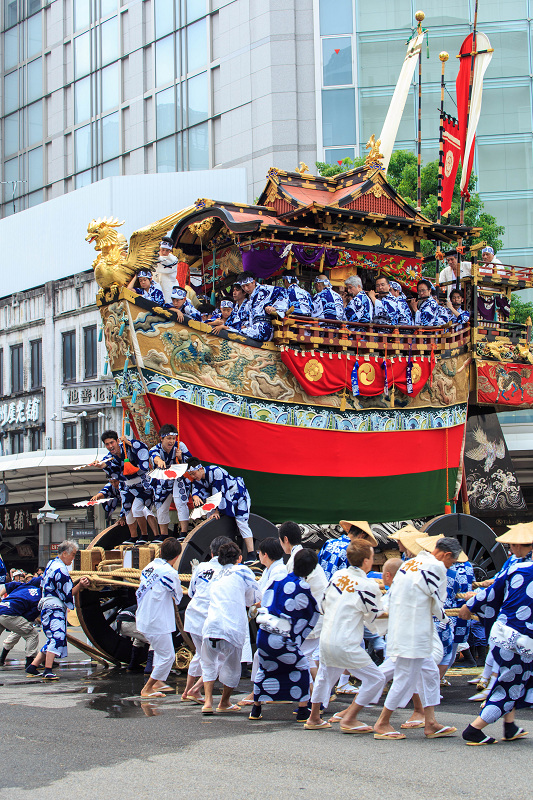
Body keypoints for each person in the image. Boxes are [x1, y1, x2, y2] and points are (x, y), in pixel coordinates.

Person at [373, 537, 461, 740]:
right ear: (446, 555)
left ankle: (430, 722)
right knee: (404, 677)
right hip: (413, 632)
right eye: (452, 562)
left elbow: (393, 594)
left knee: (430, 673)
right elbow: (438, 602)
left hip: (405, 628)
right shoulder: (437, 567)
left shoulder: (410, 563)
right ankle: (382, 722)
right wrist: (445, 617)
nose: (450, 566)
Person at [305, 540, 386, 731]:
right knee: (376, 679)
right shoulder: (368, 585)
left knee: (324, 678)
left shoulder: (337, 576)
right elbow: (374, 616)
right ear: (367, 561)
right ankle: (350, 716)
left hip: (327, 638)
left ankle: (314, 717)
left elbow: (324, 605)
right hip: (346, 642)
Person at [459, 553, 533, 745]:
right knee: (510, 687)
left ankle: (510, 727)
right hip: (523, 642)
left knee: (516, 680)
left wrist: (471, 604)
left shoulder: (517, 568)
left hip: (502, 633)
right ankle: (474, 729)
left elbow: (491, 592)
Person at [250, 548, 319, 722]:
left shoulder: (279, 579)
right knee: (302, 666)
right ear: (311, 570)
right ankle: (303, 710)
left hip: (264, 634)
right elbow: (310, 613)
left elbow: (266, 601)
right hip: (282, 638)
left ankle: (256, 709)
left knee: (265, 668)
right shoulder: (303, 586)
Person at [201, 541, 261, 714]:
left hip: (211, 624)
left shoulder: (215, 574)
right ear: (240, 558)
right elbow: (254, 597)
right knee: (232, 667)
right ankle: (224, 702)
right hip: (231, 626)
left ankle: (207, 702)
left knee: (208, 663)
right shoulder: (243, 571)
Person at [26, 541, 90, 681]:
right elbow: (67, 594)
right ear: (65, 553)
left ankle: (33, 666)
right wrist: (80, 585)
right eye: (72, 555)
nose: (73, 558)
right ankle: (48, 670)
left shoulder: (51, 564)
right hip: (54, 607)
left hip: (47, 605)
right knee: (57, 636)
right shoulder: (61, 570)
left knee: (52, 638)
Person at [181, 535, 232, 703]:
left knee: (200, 655)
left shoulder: (201, 567)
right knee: (219, 658)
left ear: (211, 553)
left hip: (193, 615)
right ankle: (195, 690)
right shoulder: (227, 571)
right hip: (210, 619)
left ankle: (187, 690)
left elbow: (191, 592)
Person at [136, 537, 183, 698]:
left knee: (159, 651)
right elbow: (178, 597)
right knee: (168, 656)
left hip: (144, 617)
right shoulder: (170, 573)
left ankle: (157, 682)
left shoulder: (150, 566)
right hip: (157, 620)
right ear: (177, 557)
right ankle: (148, 687)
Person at [186, 458, 256, 558]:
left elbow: (220, 492)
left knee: (241, 522)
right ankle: (213, 552)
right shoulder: (199, 479)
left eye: (194, 473)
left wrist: (217, 511)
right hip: (221, 499)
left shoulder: (216, 471)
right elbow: (196, 489)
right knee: (210, 516)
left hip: (237, 496)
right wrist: (195, 496)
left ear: (200, 468)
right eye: (191, 475)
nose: (193, 476)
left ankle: (251, 553)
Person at [99, 430, 156, 545]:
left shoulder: (129, 446)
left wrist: (129, 443)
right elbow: (114, 473)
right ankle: (133, 536)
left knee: (140, 510)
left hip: (142, 483)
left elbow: (143, 459)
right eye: (107, 444)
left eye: (112, 443)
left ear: (117, 441)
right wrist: (103, 465)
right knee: (128, 512)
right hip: (127, 484)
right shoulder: (110, 457)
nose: (110, 446)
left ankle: (147, 535)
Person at [149, 424, 192, 538]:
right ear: (161, 438)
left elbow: (190, 461)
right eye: (168, 438)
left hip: (178, 478)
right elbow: (154, 456)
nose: (172, 441)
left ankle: (183, 533)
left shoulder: (180, 446)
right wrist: (159, 461)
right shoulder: (156, 449)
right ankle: (163, 534)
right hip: (163, 479)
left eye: (173, 438)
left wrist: (181, 457)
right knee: (161, 505)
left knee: (180, 502)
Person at [0, 576, 42, 670]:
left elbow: (9, 585)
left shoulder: (23, 586)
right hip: (11, 614)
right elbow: (28, 617)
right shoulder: (39, 597)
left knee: (20, 629)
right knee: (32, 634)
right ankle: (30, 663)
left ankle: (1, 659)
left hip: (2, 607)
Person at [238, 272, 288, 342]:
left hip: (264, 328)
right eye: (243, 286)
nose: (246, 288)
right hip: (253, 328)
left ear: (253, 282)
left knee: (237, 334)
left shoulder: (264, 289)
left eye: (247, 285)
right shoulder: (248, 301)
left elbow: (283, 292)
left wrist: (275, 308)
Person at [116, 603, 150, 672]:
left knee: (140, 639)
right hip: (128, 622)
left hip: (121, 622)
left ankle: (132, 665)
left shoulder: (142, 603)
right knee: (154, 641)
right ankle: (149, 668)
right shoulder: (149, 606)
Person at [154, 236, 179, 304]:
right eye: (162, 249)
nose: (164, 252)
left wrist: (151, 256)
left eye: (167, 250)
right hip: (155, 285)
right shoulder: (154, 258)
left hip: (168, 288)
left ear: (170, 250)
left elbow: (162, 261)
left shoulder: (173, 260)